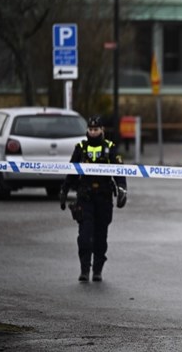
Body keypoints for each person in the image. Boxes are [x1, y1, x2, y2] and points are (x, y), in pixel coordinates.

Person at [60, 115, 128, 283]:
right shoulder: (81, 148)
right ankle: (84, 269)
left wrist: (122, 189)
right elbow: (72, 171)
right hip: (85, 197)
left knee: (100, 237)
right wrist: (64, 190)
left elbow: (120, 172)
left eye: (96, 129)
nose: (93, 132)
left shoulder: (109, 147)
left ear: (102, 130)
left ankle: (97, 270)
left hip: (104, 198)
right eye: (90, 129)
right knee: (84, 236)